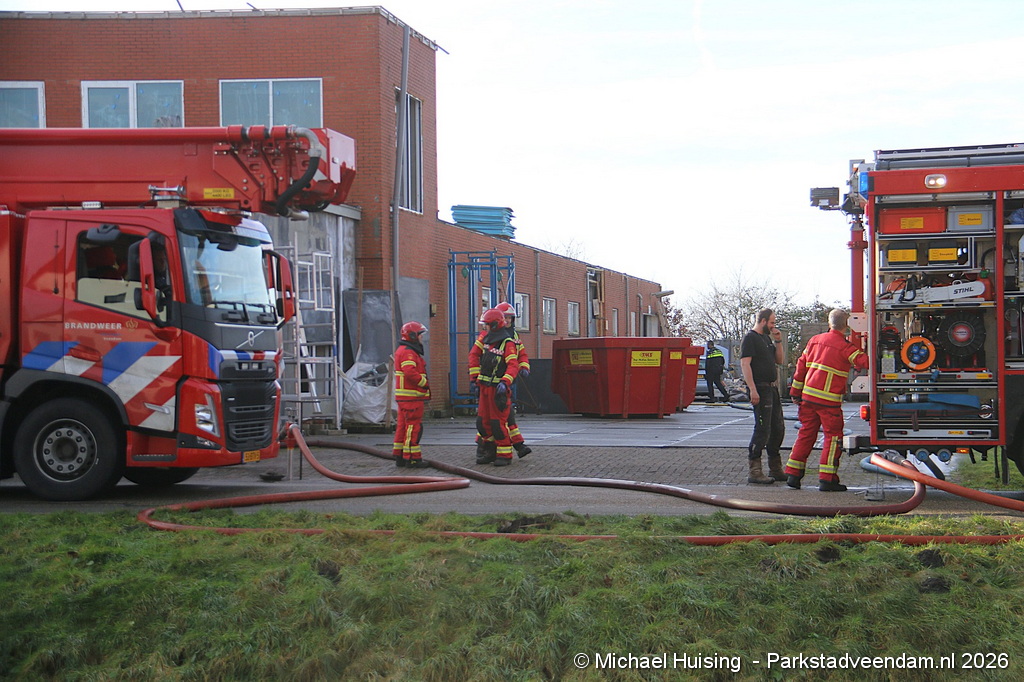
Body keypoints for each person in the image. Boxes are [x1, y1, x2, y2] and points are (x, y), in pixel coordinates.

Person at [785, 309, 870, 492]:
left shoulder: (814, 341)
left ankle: (793, 474)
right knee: (832, 438)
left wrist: (795, 392)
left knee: (806, 434)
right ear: (846, 325)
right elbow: (865, 362)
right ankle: (827, 478)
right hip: (829, 402)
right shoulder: (845, 347)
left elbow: (801, 367)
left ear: (828, 322)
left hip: (807, 398)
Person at [468, 308, 520, 466]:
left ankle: (504, 454)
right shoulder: (486, 341)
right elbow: (474, 356)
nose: (485, 328)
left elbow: (513, 365)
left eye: (487, 325)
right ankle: (489, 451)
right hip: (484, 387)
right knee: (483, 422)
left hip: (498, 389)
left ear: (495, 325)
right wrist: (475, 380)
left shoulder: (507, 343)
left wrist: (505, 382)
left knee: (497, 423)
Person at [740, 308, 786, 484]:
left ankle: (775, 468)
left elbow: (779, 361)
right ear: (763, 321)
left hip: (772, 389)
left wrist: (778, 341)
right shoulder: (750, 338)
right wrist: (752, 389)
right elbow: (745, 364)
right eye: (772, 322)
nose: (774, 326)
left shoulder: (766, 338)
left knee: (777, 428)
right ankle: (755, 471)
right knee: (762, 429)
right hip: (760, 388)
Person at [495, 301, 532, 457]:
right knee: (504, 415)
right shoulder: (493, 336)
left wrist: (524, 367)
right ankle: (518, 445)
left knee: (505, 414)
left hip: (509, 380)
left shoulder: (514, 336)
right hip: (497, 381)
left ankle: (518, 445)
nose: (508, 321)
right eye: (505, 317)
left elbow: (521, 354)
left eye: (510, 318)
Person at [392, 321, 430, 468]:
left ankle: (400, 455)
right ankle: (412, 458)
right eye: (420, 335)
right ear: (413, 336)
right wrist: (423, 383)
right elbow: (410, 372)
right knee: (413, 428)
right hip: (411, 398)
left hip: (404, 398)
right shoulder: (408, 352)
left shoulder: (403, 350)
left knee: (402, 427)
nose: (422, 338)